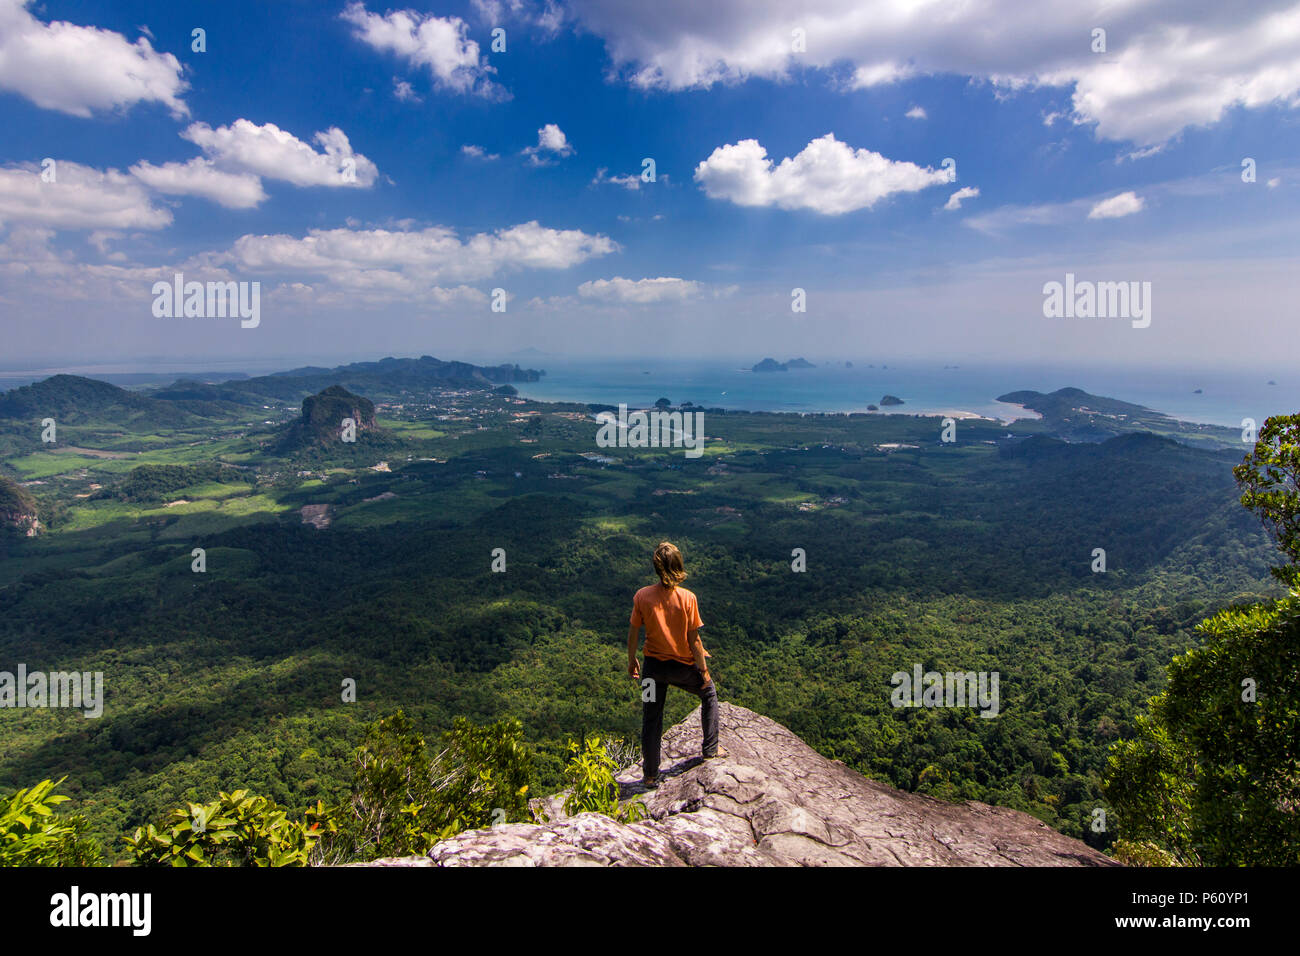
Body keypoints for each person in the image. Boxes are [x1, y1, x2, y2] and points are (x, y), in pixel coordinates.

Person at [627, 541, 726, 788]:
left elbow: (633, 632)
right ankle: (711, 749)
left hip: (652, 670)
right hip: (682, 668)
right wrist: (703, 670)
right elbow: (694, 640)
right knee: (709, 693)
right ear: (678, 566)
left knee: (651, 718)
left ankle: (650, 775)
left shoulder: (642, 596)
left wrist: (632, 660)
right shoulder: (688, 598)